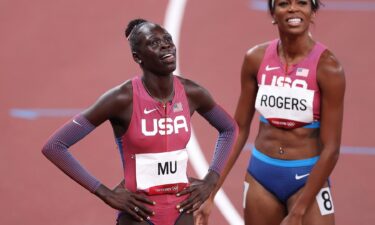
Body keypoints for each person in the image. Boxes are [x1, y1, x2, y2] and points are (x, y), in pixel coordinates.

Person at [42, 18, 238, 225]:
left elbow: (229, 128)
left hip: (182, 211)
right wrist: (104, 193)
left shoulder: (192, 93)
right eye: (154, 43)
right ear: (138, 57)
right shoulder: (121, 99)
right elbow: (55, 146)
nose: (165, 45)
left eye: (168, 40)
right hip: (140, 215)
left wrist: (212, 179)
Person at [194, 0, 345, 224]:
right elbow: (238, 129)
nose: (293, 9)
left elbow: (331, 148)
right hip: (261, 177)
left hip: (307, 178)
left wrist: (298, 211)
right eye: (284, 3)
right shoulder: (255, 59)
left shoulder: (328, 67)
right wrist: (211, 191)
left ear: (312, 12)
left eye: (302, 3)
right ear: (273, 13)